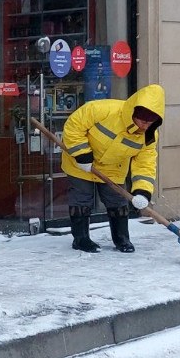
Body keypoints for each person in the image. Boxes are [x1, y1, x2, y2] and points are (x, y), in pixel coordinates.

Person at [59, 84, 165, 253]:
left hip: (114, 168)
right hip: (81, 162)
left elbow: (145, 162)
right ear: (134, 113)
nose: (145, 126)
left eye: (151, 122)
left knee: (117, 202)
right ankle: (81, 239)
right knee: (81, 199)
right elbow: (74, 125)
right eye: (143, 121)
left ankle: (122, 239)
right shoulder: (103, 109)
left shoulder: (149, 135)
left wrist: (142, 191)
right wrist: (81, 153)